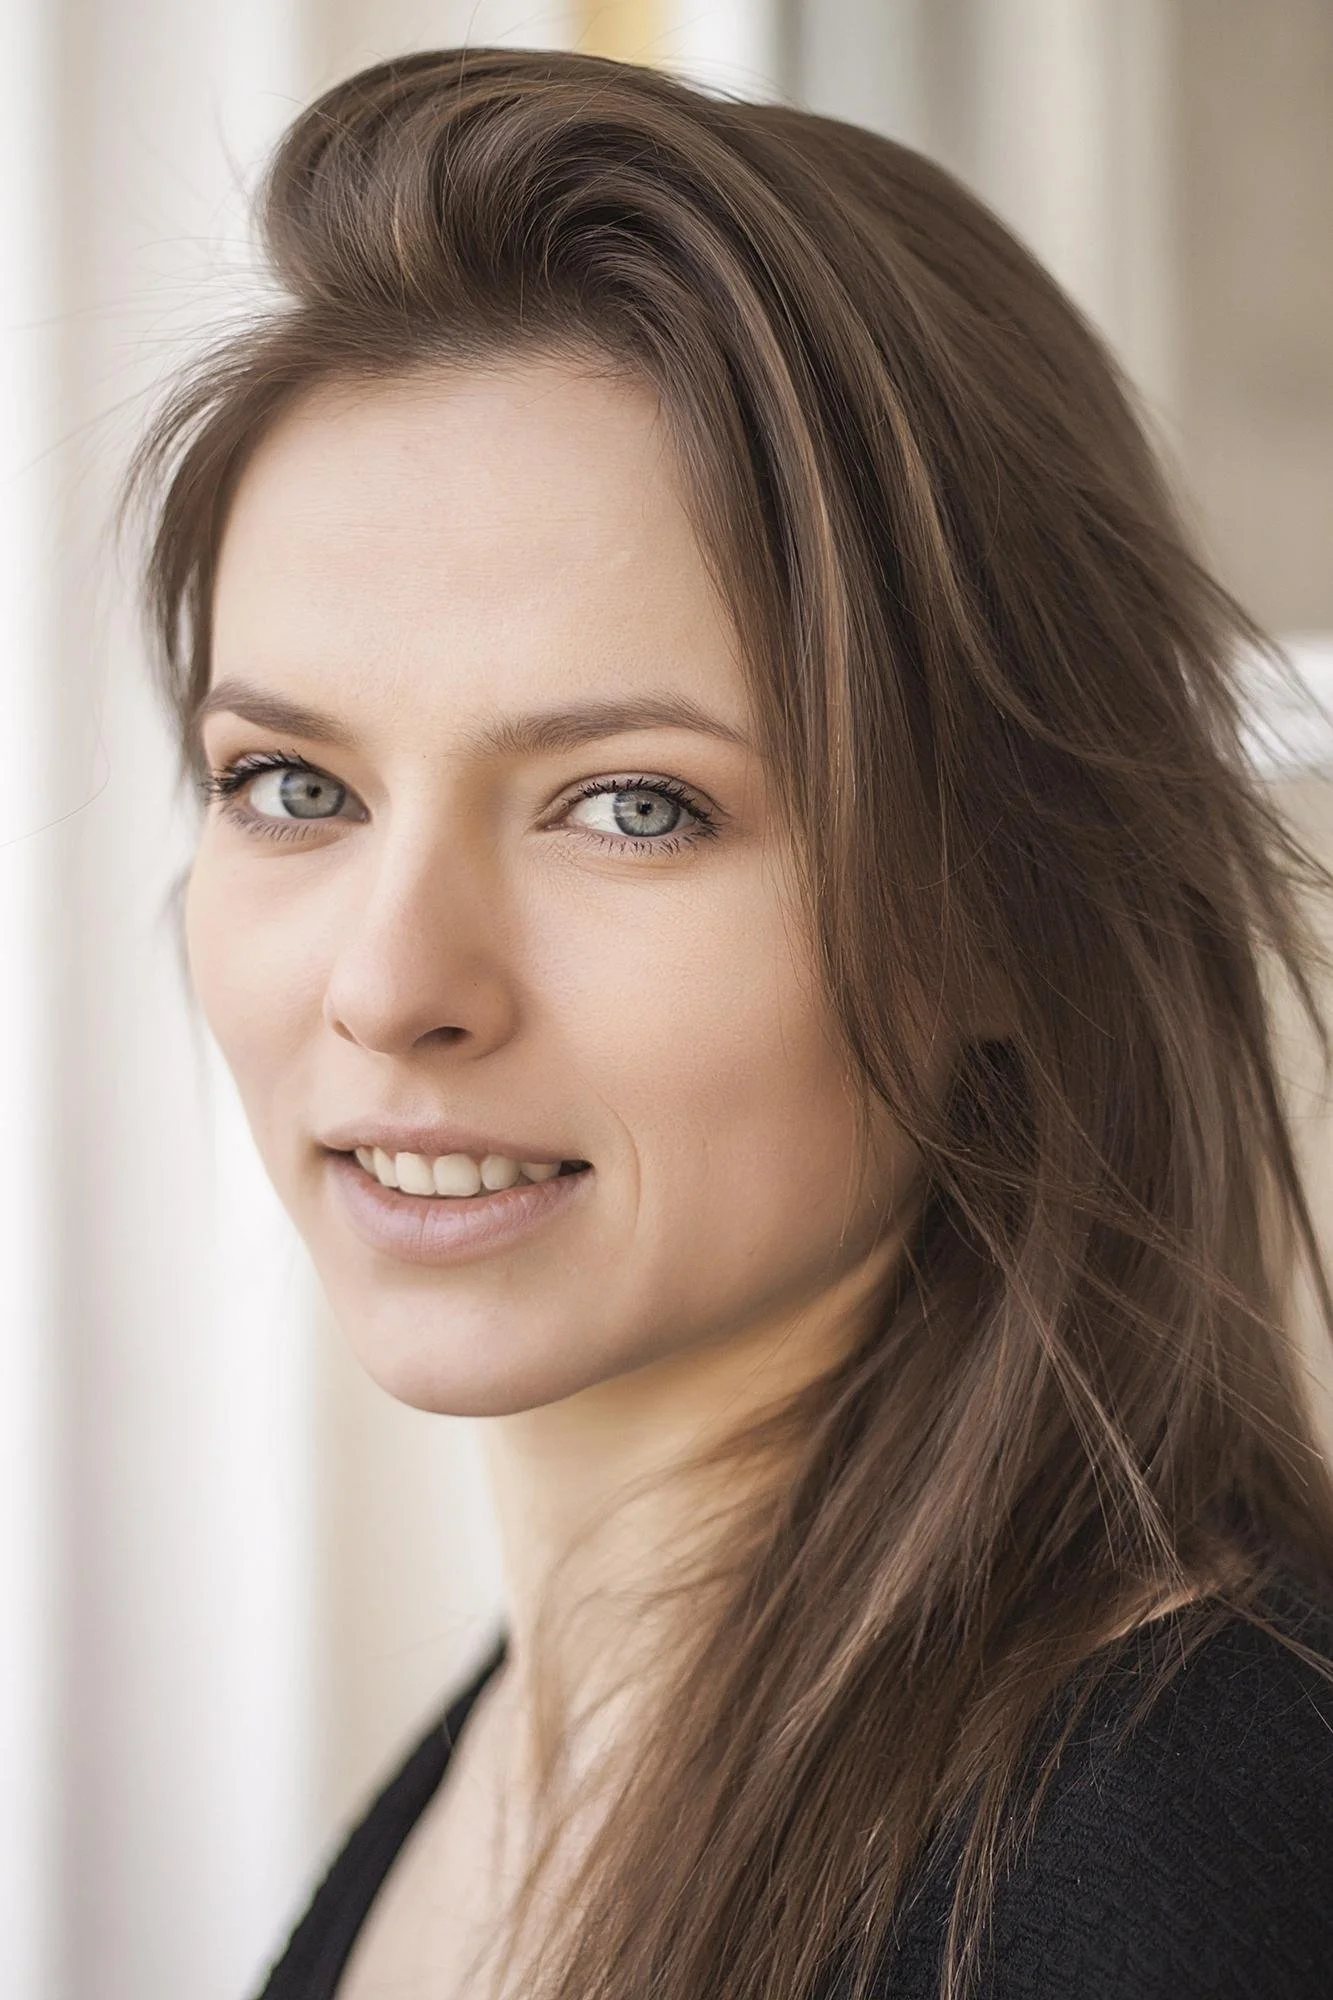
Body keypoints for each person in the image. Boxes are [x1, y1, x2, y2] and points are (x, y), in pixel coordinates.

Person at [125, 45, 1333, 2000]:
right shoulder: (512, 1757)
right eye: (293, 784)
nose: (390, 983)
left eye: (632, 807)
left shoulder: (1176, 1862)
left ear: (1002, 905)